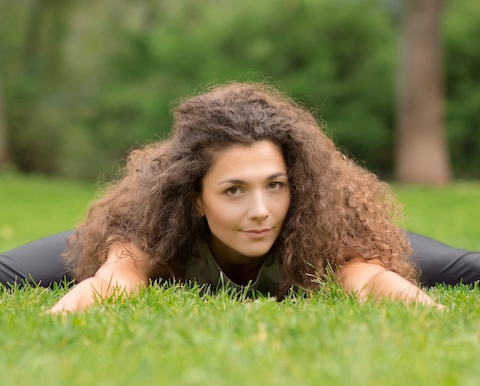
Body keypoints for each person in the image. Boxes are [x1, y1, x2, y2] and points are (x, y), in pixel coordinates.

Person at [0, 82, 478, 312]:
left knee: (467, 269)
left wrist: (431, 316)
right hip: (150, 235)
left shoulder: (322, 233)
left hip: (335, 237)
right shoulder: (153, 235)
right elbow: (114, 282)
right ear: (195, 198)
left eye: (275, 185)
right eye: (233, 190)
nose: (260, 211)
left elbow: (369, 280)